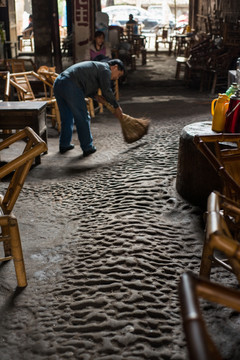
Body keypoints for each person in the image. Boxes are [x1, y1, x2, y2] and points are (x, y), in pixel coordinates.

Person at [53, 59, 125, 157]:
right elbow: (106, 90)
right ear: (115, 67)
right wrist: (117, 106)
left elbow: (86, 82)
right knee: (83, 117)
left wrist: (95, 95)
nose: (116, 78)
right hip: (70, 85)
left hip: (59, 82)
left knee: (67, 117)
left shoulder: (98, 67)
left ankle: (64, 144)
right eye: (119, 74)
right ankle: (87, 147)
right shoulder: (105, 69)